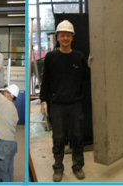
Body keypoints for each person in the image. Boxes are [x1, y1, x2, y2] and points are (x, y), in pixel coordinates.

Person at [40, 20, 88, 182]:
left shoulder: (79, 57)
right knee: (58, 138)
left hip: (75, 104)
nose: (65, 38)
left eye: (68, 35)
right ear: (57, 38)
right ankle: (58, 168)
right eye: (62, 35)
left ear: (72, 38)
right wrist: (43, 100)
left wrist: (91, 66)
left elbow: (86, 80)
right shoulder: (51, 57)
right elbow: (45, 80)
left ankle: (78, 166)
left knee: (77, 136)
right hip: (57, 105)